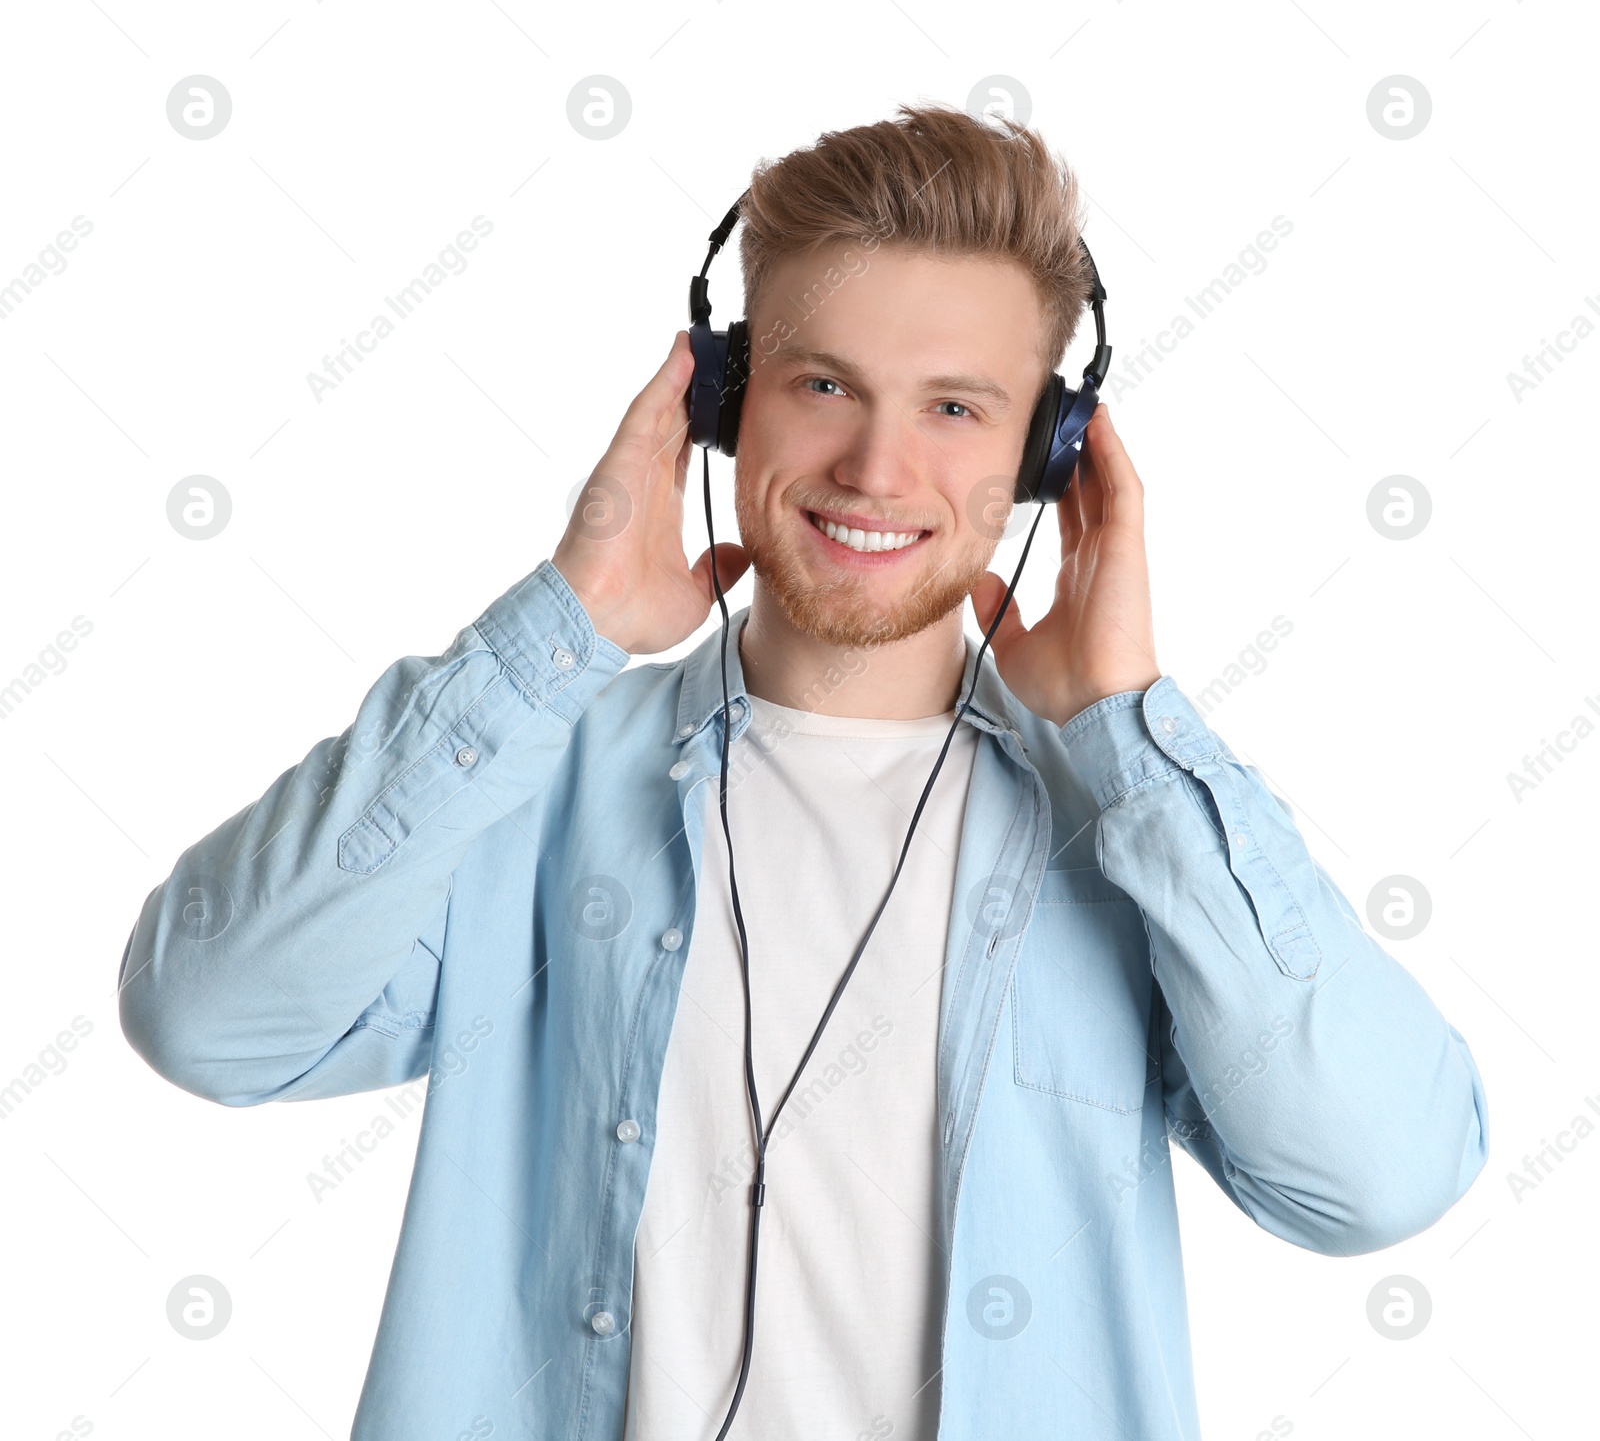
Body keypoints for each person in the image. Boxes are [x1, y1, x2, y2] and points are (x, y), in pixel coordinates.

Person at [117, 103, 1489, 1441]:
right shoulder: (525, 780)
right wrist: (560, 632)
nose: (877, 466)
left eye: (956, 405)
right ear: (721, 402)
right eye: (822, 383)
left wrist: (1125, 728)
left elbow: (1380, 1177)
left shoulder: (1132, 840)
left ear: (1048, 454)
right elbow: (208, 1016)